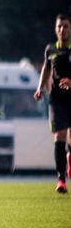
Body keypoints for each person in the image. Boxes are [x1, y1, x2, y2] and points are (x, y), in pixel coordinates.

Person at [34, 13, 71, 194]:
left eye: (66, 26)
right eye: (59, 26)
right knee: (59, 135)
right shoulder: (50, 50)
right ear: (55, 30)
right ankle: (61, 180)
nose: (62, 30)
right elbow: (46, 69)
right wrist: (39, 88)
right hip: (56, 100)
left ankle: (69, 156)